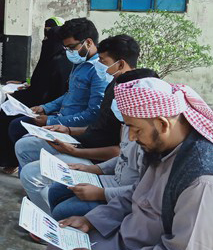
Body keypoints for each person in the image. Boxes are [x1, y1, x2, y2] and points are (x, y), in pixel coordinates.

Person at [38, 77, 213, 250]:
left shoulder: (202, 181)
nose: (132, 138)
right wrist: (91, 220)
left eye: (135, 129)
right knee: (61, 247)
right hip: (129, 241)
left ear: (163, 123)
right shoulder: (161, 147)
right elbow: (136, 195)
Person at [16, 35, 141, 213]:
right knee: (25, 145)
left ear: (120, 64)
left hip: (93, 156)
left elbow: (117, 150)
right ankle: (39, 200)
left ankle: (47, 217)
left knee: (31, 173)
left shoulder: (128, 100)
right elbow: (99, 127)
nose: (101, 66)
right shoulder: (113, 85)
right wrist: (67, 129)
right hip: (82, 144)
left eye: (103, 61)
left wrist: (74, 151)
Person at [47, 68, 159, 220]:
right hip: (112, 181)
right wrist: (93, 169)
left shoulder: (150, 140)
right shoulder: (128, 124)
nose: (115, 103)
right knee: (56, 190)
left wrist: (101, 193)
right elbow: (123, 156)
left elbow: (142, 191)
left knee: (63, 211)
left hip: (123, 196)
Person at [8, 18, 110, 148]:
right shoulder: (80, 63)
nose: (69, 52)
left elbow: (93, 114)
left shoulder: (99, 70)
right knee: (17, 125)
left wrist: (52, 121)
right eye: (66, 48)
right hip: (61, 117)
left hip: (74, 128)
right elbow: (70, 94)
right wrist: (45, 108)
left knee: (24, 143)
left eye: (72, 47)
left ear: (88, 42)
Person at [0, 17, 72, 173]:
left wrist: (43, 107)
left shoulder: (61, 62)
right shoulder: (50, 57)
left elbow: (54, 93)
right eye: (44, 34)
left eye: (48, 36)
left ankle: (10, 160)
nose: (44, 39)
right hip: (40, 100)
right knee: (4, 101)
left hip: (49, 107)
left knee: (9, 116)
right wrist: (24, 85)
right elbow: (38, 82)